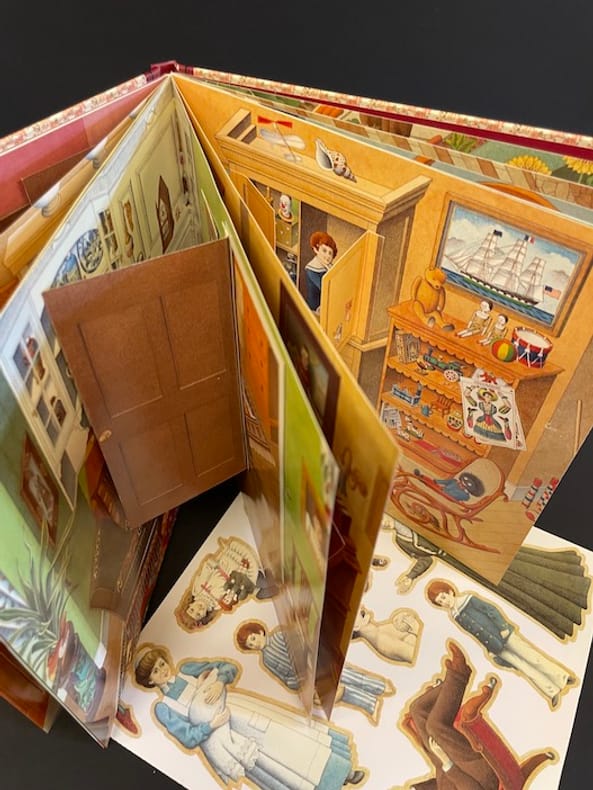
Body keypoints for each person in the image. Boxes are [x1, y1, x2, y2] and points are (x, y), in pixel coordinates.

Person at [134, 646, 366, 788]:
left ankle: (343, 771)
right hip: (229, 740)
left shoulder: (188, 670)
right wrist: (210, 725)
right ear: (150, 681)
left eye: (162, 664)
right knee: (275, 767)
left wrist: (220, 682)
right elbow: (187, 737)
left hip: (243, 711)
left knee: (291, 739)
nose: (163, 670)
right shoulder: (164, 708)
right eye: (156, 671)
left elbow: (226, 667)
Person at [382, 513, 591, 640]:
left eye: (382, 519)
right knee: (506, 584)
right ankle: (562, 610)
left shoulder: (410, 509)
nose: (383, 524)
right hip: (458, 561)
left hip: (466, 543)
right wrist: (410, 576)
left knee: (517, 564)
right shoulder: (400, 541)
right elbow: (425, 559)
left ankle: (567, 577)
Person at [426, 581, 576, 707]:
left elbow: (490, 610)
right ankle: (552, 691)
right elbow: (475, 634)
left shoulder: (468, 599)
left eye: (444, 597)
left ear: (450, 591)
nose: (445, 602)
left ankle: (562, 678)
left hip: (505, 635)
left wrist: (503, 627)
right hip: (495, 646)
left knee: (533, 658)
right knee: (524, 667)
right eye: (440, 602)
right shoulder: (456, 616)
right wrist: (489, 650)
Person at [405, 641, 499, 789]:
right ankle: (457, 676)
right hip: (478, 777)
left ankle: (454, 679)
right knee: (434, 726)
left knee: (417, 710)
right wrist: (446, 761)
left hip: (447, 769)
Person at [235, 621, 301, 691]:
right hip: (298, 680)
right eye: (251, 645)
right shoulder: (266, 661)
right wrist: (292, 682)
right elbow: (283, 678)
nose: (255, 644)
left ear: (260, 632)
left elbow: (299, 644)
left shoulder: (278, 636)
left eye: (253, 638)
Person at [305, 231, 338, 311]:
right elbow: (325, 288)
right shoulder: (312, 270)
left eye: (330, 253)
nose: (327, 256)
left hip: (326, 301)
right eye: (324, 251)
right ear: (316, 249)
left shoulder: (328, 265)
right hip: (315, 306)